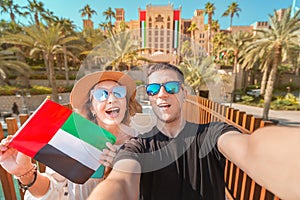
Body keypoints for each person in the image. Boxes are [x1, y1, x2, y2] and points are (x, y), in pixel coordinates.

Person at [88, 63, 300, 200]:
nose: (161, 94)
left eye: (170, 87)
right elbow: (121, 181)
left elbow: (251, 150)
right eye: (153, 90)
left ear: (183, 93)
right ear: (149, 98)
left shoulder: (212, 133)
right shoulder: (138, 145)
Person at [0, 71, 141, 199]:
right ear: (91, 107)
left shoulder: (143, 143)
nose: (111, 99)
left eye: (118, 92)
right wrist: (24, 172)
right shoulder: (73, 139)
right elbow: (54, 189)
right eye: (101, 94)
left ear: (126, 103)